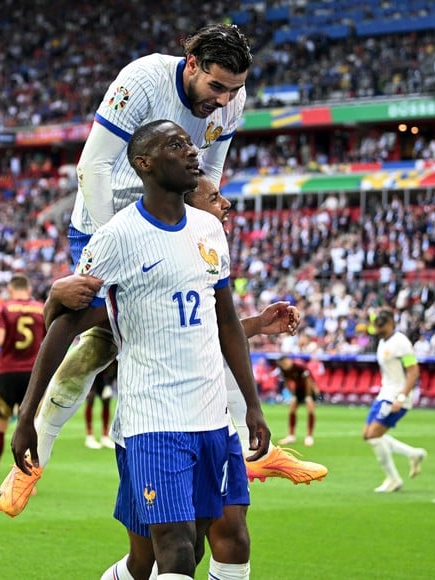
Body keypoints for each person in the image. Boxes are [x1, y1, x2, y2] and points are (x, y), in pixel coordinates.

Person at [11, 120, 272, 580]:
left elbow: (225, 321)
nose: (193, 152)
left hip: (213, 420)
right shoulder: (116, 237)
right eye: (177, 145)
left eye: (191, 144)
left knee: (203, 549)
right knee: (174, 548)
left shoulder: (210, 230)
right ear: (144, 164)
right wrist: (28, 416)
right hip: (154, 421)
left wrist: (252, 406)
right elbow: (65, 327)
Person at [98, 173, 322, 580]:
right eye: (214, 197)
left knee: (229, 538)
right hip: (152, 423)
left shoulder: (211, 253)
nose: (225, 205)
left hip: (212, 423)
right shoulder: (138, 250)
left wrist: (253, 325)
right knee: (155, 557)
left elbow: (210, 327)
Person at [0, 274, 45, 489]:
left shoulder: (5, 308)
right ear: (29, 288)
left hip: (8, 372)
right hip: (34, 374)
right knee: (31, 427)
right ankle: (27, 483)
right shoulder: (41, 309)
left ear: (11, 289)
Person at [362, 308, 427, 493]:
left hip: (396, 396)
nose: (377, 329)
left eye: (380, 326)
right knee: (367, 434)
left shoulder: (401, 343)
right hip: (385, 394)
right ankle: (413, 454)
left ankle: (393, 479)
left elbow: (413, 371)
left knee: (374, 435)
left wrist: (402, 397)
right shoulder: (383, 342)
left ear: (391, 324)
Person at [275, 356, 320, 447]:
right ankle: (291, 436)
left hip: (309, 389)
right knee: (292, 410)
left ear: (288, 361)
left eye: (285, 363)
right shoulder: (284, 371)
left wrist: (308, 397)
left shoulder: (299, 367)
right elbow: (287, 382)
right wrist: (293, 395)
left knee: (311, 410)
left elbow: (308, 381)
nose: (284, 365)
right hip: (298, 390)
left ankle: (309, 436)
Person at [84, 361, 117, 450]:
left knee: (106, 400)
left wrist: (108, 385)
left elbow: (115, 367)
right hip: (92, 373)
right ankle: (89, 436)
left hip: (105, 375)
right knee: (91, 398)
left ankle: (105, 436)